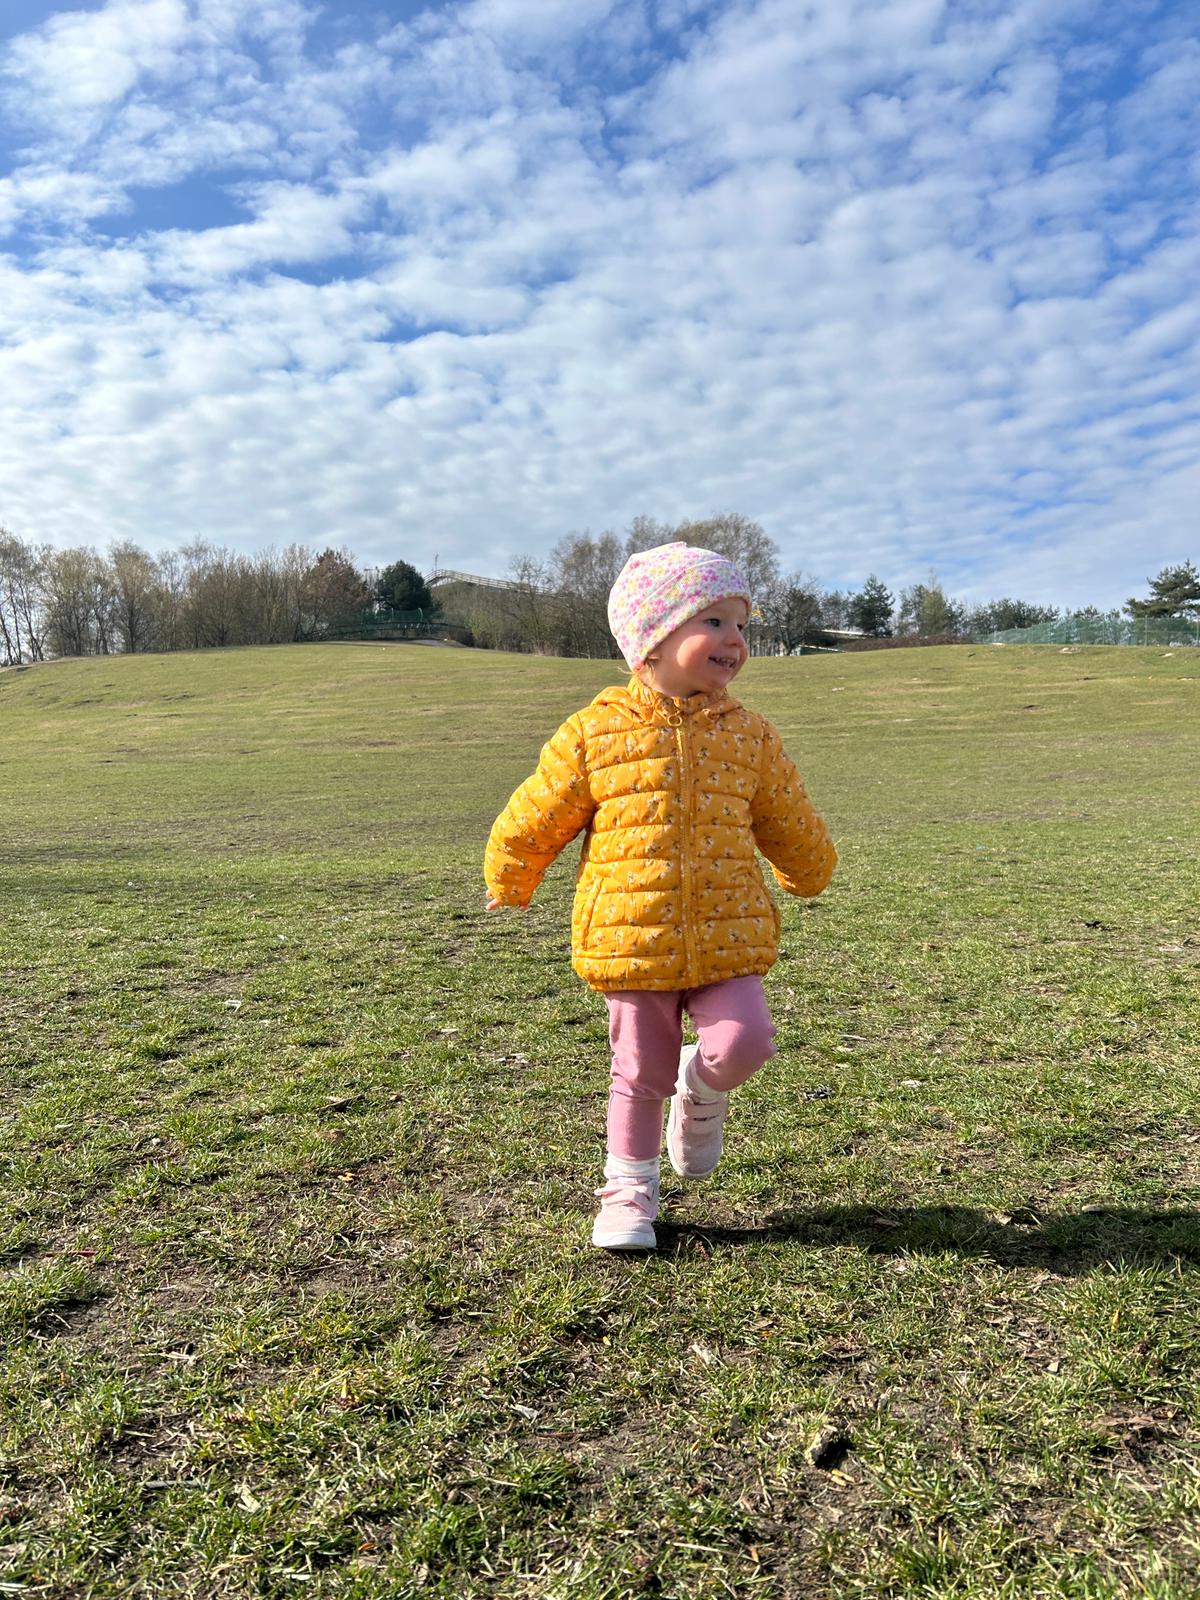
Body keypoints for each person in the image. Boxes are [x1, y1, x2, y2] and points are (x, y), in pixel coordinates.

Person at [484, 541, 837, 1250]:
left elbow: (786, 814)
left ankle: (700, 1091)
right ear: (652, 638)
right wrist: (512, 875)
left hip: (729, 930)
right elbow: (539, 809)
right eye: (713, 621)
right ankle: (628, 1194)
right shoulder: (596, 731)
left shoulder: (750, 736)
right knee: (639, 1073)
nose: (735, 641)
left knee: (745, 1042)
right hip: (632, 935)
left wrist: (809, 870)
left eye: (741, 625)